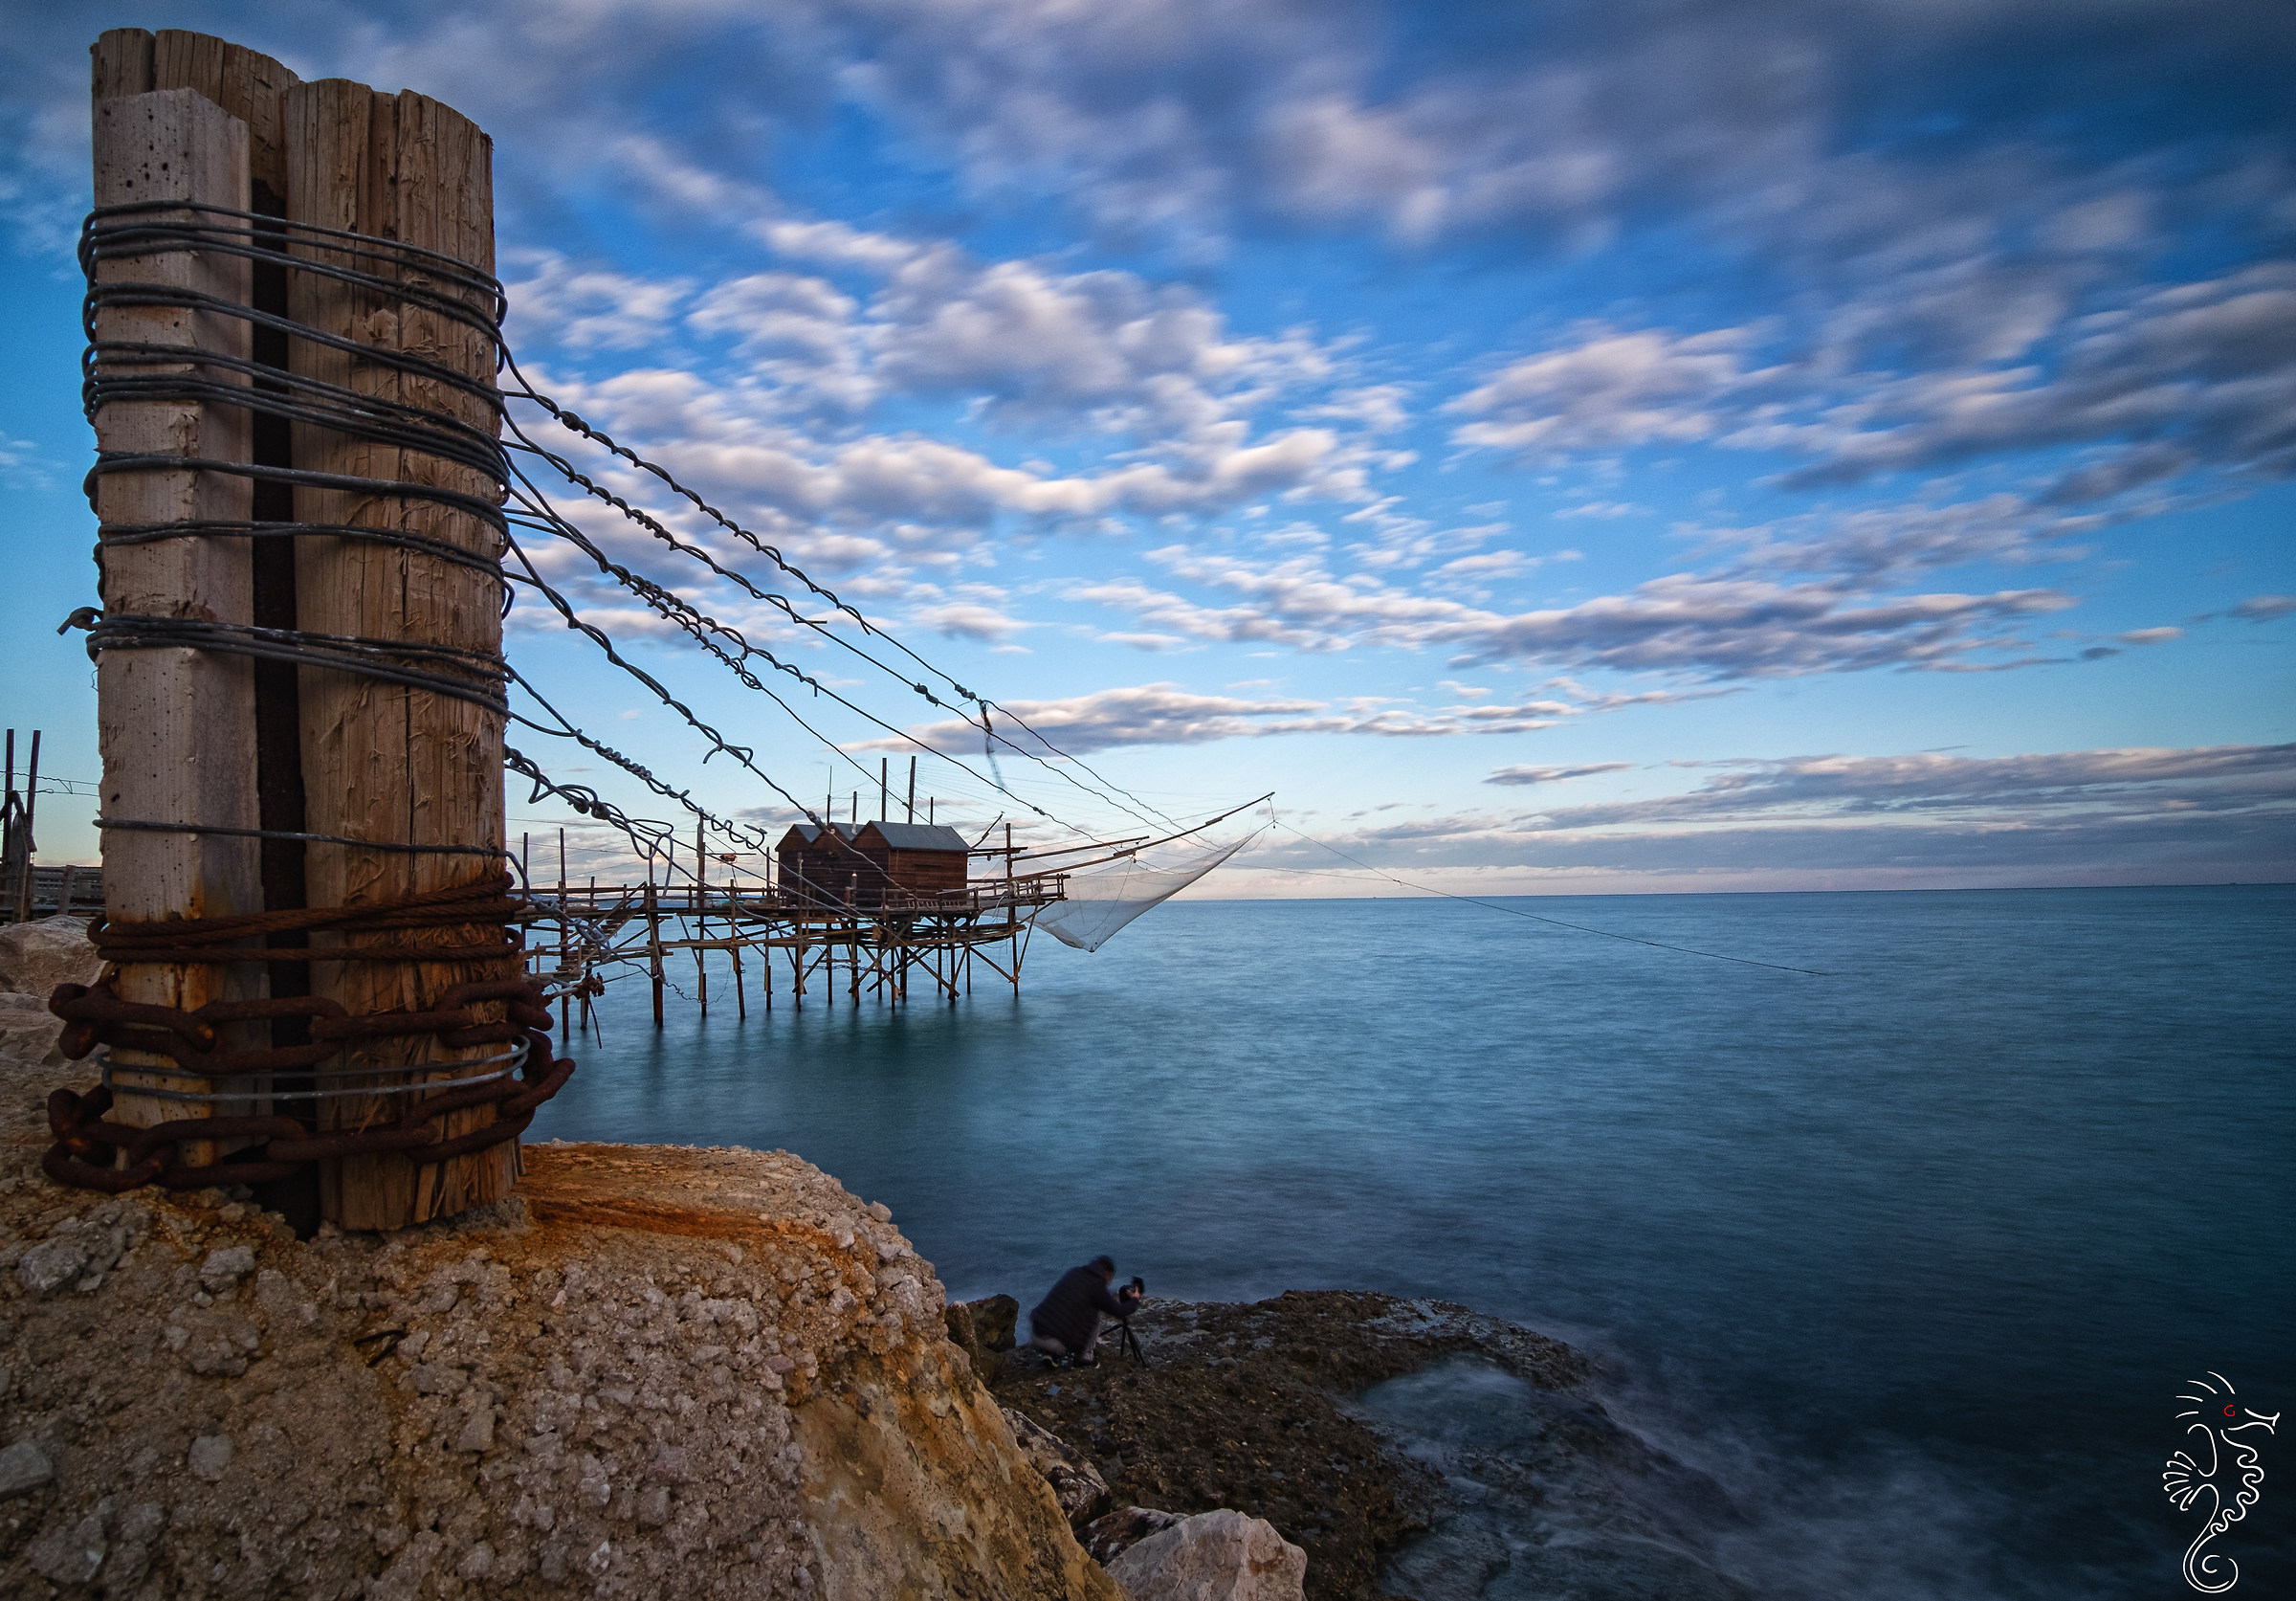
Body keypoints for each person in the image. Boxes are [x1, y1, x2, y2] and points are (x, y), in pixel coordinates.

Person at [1025, 1255, 1142, 1366]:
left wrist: (1112, 1294)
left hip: (1036, 1332)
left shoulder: (1075, 1272)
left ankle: (1050, 1354)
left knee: (1067, 1308)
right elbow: (1119, 1311)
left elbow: (1090, 1295)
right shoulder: (1096, 1286)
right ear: (1108, 1274)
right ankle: (1084, 1358)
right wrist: (1135, 1300)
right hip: (1055, 1342)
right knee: (1095, 1314)